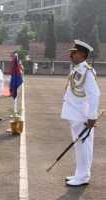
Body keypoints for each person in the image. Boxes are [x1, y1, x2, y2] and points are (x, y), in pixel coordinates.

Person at [61, 40, 100, 186]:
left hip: (82, 116)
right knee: (79, 146)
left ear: (82, 55)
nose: (71, 55)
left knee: (84, 146)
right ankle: (80, 173)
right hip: (75, 115)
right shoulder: (77, 69)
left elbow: (94, 95)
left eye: (74, 53)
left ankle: (83, 177)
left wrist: (91, 117)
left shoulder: (86, 71)